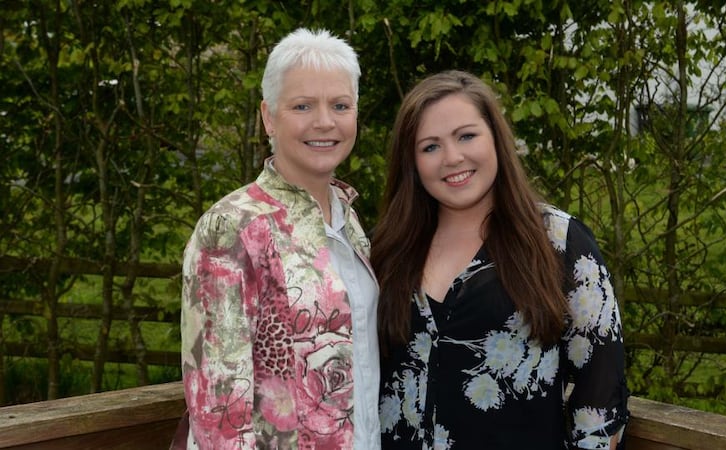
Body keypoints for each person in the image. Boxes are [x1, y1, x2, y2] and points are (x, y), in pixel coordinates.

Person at [371, 70, 629, 449]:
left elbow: (599, 402)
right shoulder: (387, 249)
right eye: (430, 146)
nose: (452, 158)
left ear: (495, 137)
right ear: (411, 162)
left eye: (466, 136)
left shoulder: (558, 242)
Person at [175, 28, 380, 450]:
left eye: (340, 105)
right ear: (268, 116)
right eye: (303, 106)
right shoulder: (231, 228)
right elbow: (218, 413)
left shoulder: (350, 221)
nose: (325, 121)